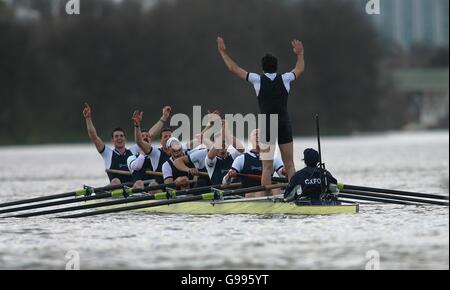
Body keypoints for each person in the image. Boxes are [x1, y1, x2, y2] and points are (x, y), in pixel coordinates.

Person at [216, 36, 305, 192]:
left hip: (267, 124)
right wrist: (300, 54)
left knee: (267, 166)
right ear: (276, 67)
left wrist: (223, 52)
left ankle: (267, 197)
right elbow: (300, 69)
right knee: (289, 164)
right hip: (284, 122)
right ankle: (294, 194)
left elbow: (234, 69)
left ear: (262, 68)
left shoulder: (257, 79)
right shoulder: (285, 78)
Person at [83, 103, 139, 185]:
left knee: (139, 182)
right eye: (116, 136)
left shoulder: (133, 151)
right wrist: (88, 118)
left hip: (134, 189)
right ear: (112, 140)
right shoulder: (107, 153)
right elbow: (94, 137)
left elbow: (148, 137)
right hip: (116, 189)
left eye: (121, 136)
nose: (119, 138)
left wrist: (163, 118)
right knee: (116, 181)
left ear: (125, 139)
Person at [223, 129, 286, 198]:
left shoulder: (274, 159)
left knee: (276, 189)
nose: (257, 136)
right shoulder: (241, 158)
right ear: (250, 139)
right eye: (255, 134)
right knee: (262, 192)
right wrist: (229, 176)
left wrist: (285, 172)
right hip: (247, 194)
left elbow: (284, 178)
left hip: (267, 191)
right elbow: (225, 183)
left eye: (260, 135)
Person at [127, 108, 173, 189]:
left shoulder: (156, 153)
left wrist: (164, 117)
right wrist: (137, 125)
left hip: (155, 187)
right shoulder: (131, 157)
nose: (145, 138)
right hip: (140, 187)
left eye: (147, 136)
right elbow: (137, 166)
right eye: (142, 137)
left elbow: (150, 135)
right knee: (139, 183)